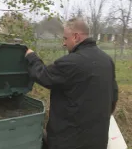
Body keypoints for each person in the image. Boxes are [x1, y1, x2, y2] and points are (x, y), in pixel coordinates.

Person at [25, 17, 118, 149]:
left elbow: (43, 75)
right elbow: (113, 99)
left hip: (69, 142)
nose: (64, 43)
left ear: (75, 37)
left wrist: (31, 57)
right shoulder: (107, 61)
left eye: (65, 38)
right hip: (98, 140)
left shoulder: (70, 62)